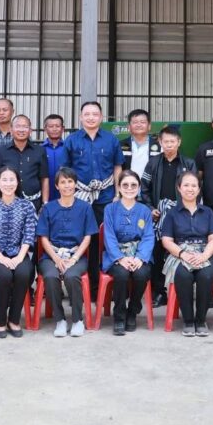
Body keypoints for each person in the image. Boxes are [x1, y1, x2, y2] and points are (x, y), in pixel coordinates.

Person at [62, 101, 123, 294]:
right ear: (80, 117)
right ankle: (80, 286)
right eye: (86, 114)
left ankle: (102, 288)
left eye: (95, 114)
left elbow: (118, 167)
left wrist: (117, 194)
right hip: (79, 198)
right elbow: (65, 171)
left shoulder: (111, 140)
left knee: (103, 240)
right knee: (80, 240)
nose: (90, 117)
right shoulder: (71, 140)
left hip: (106, 197)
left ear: (101, 117)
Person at [36, 167, 98, 337]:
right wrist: (56, 258)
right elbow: (43, 238)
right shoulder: (48, 208)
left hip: (76, 255)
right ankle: (60, 320)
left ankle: (77, 320)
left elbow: (87, 237)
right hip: (51, 255)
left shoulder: (85, 208)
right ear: (57, 186)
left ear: (76, 184)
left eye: (70, 181)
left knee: (72, 276)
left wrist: (74, 258)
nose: (67, 185)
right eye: (63, 182)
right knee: (50, 276)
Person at [139, 125, 196, 306]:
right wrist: (150, 208)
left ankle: (179, 291)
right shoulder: (153, 163)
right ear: (160, 142)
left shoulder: (189, 164)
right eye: (166, 142)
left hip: (181, 215)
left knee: (179, 251)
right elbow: (144, 188)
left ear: (179, 142)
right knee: (157, 252)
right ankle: (159, 292)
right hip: (158, 215)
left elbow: (195, 189)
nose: (169, 145)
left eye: (173, 141)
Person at [160, 171, 213, 337]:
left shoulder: (207, 212)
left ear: (199, 189)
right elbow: (166, 240)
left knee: (206, 275)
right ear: (179, 188)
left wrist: (204, 255)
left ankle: (201, 320)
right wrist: (183, 254)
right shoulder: (172, 213)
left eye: (194, 185)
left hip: (205, 252)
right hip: (180, 253)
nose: (190, 189)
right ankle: (188, 320)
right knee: (183, 275)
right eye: (186, 185)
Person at [0, 167, 37, 338]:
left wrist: (20, 257)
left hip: (19, 254)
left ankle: (14, 319)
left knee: (23, 273)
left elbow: (29, 234)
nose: (8, 183)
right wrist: (2, 258)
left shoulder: (26, 206)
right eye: (4, 180)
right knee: (4, 275)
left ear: (18, 182)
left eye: (12, 179)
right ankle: (0, 321)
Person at [102, 170, 155, 335]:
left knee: (141, 274)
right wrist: (120, 258)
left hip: (139, 253)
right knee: (121, 274)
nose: (129, 188)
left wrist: (140, 257)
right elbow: (109, 236)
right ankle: (119, 316)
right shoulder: (110, 209)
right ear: (118, 187)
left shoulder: (144, 210)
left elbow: (148, 236)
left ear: (139, 188)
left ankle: (132, 311)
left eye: (133, 185)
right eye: (125, 185)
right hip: (116, 255)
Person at [0, 115, 49, 210]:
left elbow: (44, 178)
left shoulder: (40, 151)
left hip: (33, 202)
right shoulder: (1, 151)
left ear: (30, 130)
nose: (21, 130)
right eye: (18, 126)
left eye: (25, 127)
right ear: (11, 130)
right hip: (6, 202)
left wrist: (45, 203)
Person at [120, 109, 159, 178]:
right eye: (135, 122)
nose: (139, 125)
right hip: (128, 184)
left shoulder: (159, 146)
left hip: (152, 184)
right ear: (129, 126)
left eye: (142, 122)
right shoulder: (120, 145)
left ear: (149, 126)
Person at [42, 114, 67, 201]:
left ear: (63, 129)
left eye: (57, 126)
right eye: (51, 126)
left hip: (65, 193)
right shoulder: (39, 149)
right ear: (45, 129)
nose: (54, 129)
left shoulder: (68, 148)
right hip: (44, 195)